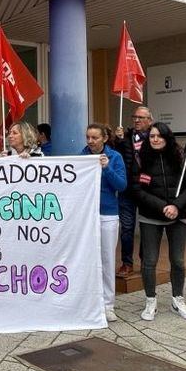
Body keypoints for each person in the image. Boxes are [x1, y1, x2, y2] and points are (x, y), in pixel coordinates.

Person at [132, 122, 186, 322]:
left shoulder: (180, 158)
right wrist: (162, 206)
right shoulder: (140, 159)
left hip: (179, 215)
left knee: (177, 260)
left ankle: (178, 299)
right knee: (149, 261)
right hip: (151, 217)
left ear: (167, 138)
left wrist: (176, 206)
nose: (155, 139)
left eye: (159, 136)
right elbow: (137, 190)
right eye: (151, 136)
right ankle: (150, 300)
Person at [81, 123, 127, 322]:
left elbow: (122, 185)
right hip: (85, 216)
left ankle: (108, 304)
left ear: (104, 139)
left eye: (95, 138)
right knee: (87, 260)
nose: (90, 142)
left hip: (107, 214)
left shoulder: (115, 157)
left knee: (107, 260)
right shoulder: (81, 157)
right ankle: (89, 301)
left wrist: (107, 168)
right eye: (88, 138)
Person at [114, 106, 153, 277]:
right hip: (128, 190)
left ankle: (146, 262)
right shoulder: (126, 136)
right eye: (134, 116)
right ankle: (127, 263)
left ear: (149, 121)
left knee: (146, 227)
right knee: (127, 228)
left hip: (147, 190)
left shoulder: (155, 137)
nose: (136, 120)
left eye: (141, 117)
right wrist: (119, 140)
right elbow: (118, 157)